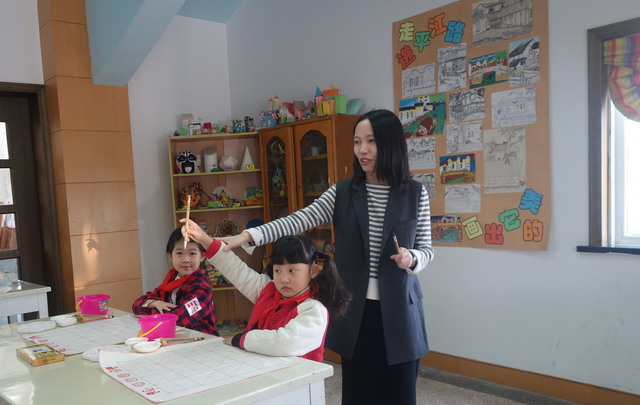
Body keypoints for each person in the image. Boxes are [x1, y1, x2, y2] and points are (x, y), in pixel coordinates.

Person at [219, 109, 435, 405]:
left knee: (399, 395)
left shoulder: (415, 193)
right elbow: (298, 219)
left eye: (371, 141)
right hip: (355, 310)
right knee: (358, 395)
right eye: (357, 141)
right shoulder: (343, 192)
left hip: (400, 312)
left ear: (391, 144)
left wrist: (412, 258)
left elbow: (427, 250)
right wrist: (247, 236)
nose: (362, 149)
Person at [182, 219, 350, 361]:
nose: (283, 279)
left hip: (299, 383)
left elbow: (285, 342)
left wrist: (242, 339)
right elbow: (236, 269)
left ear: (313, 271)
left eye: (292, 270)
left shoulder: (314, 309)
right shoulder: (269, 290)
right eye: (278, 271)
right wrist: (203, 238)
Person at [132, 227, 217, 335]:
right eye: (179, 253)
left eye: (192, 253)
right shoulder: (172, 279)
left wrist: (153, 311)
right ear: (170, 255)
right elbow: (136, 305)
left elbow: (179, 319)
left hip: (201, 339)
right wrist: (154, 303)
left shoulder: (201, 287)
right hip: (175, 335)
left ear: (202, 256)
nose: (185, 259)